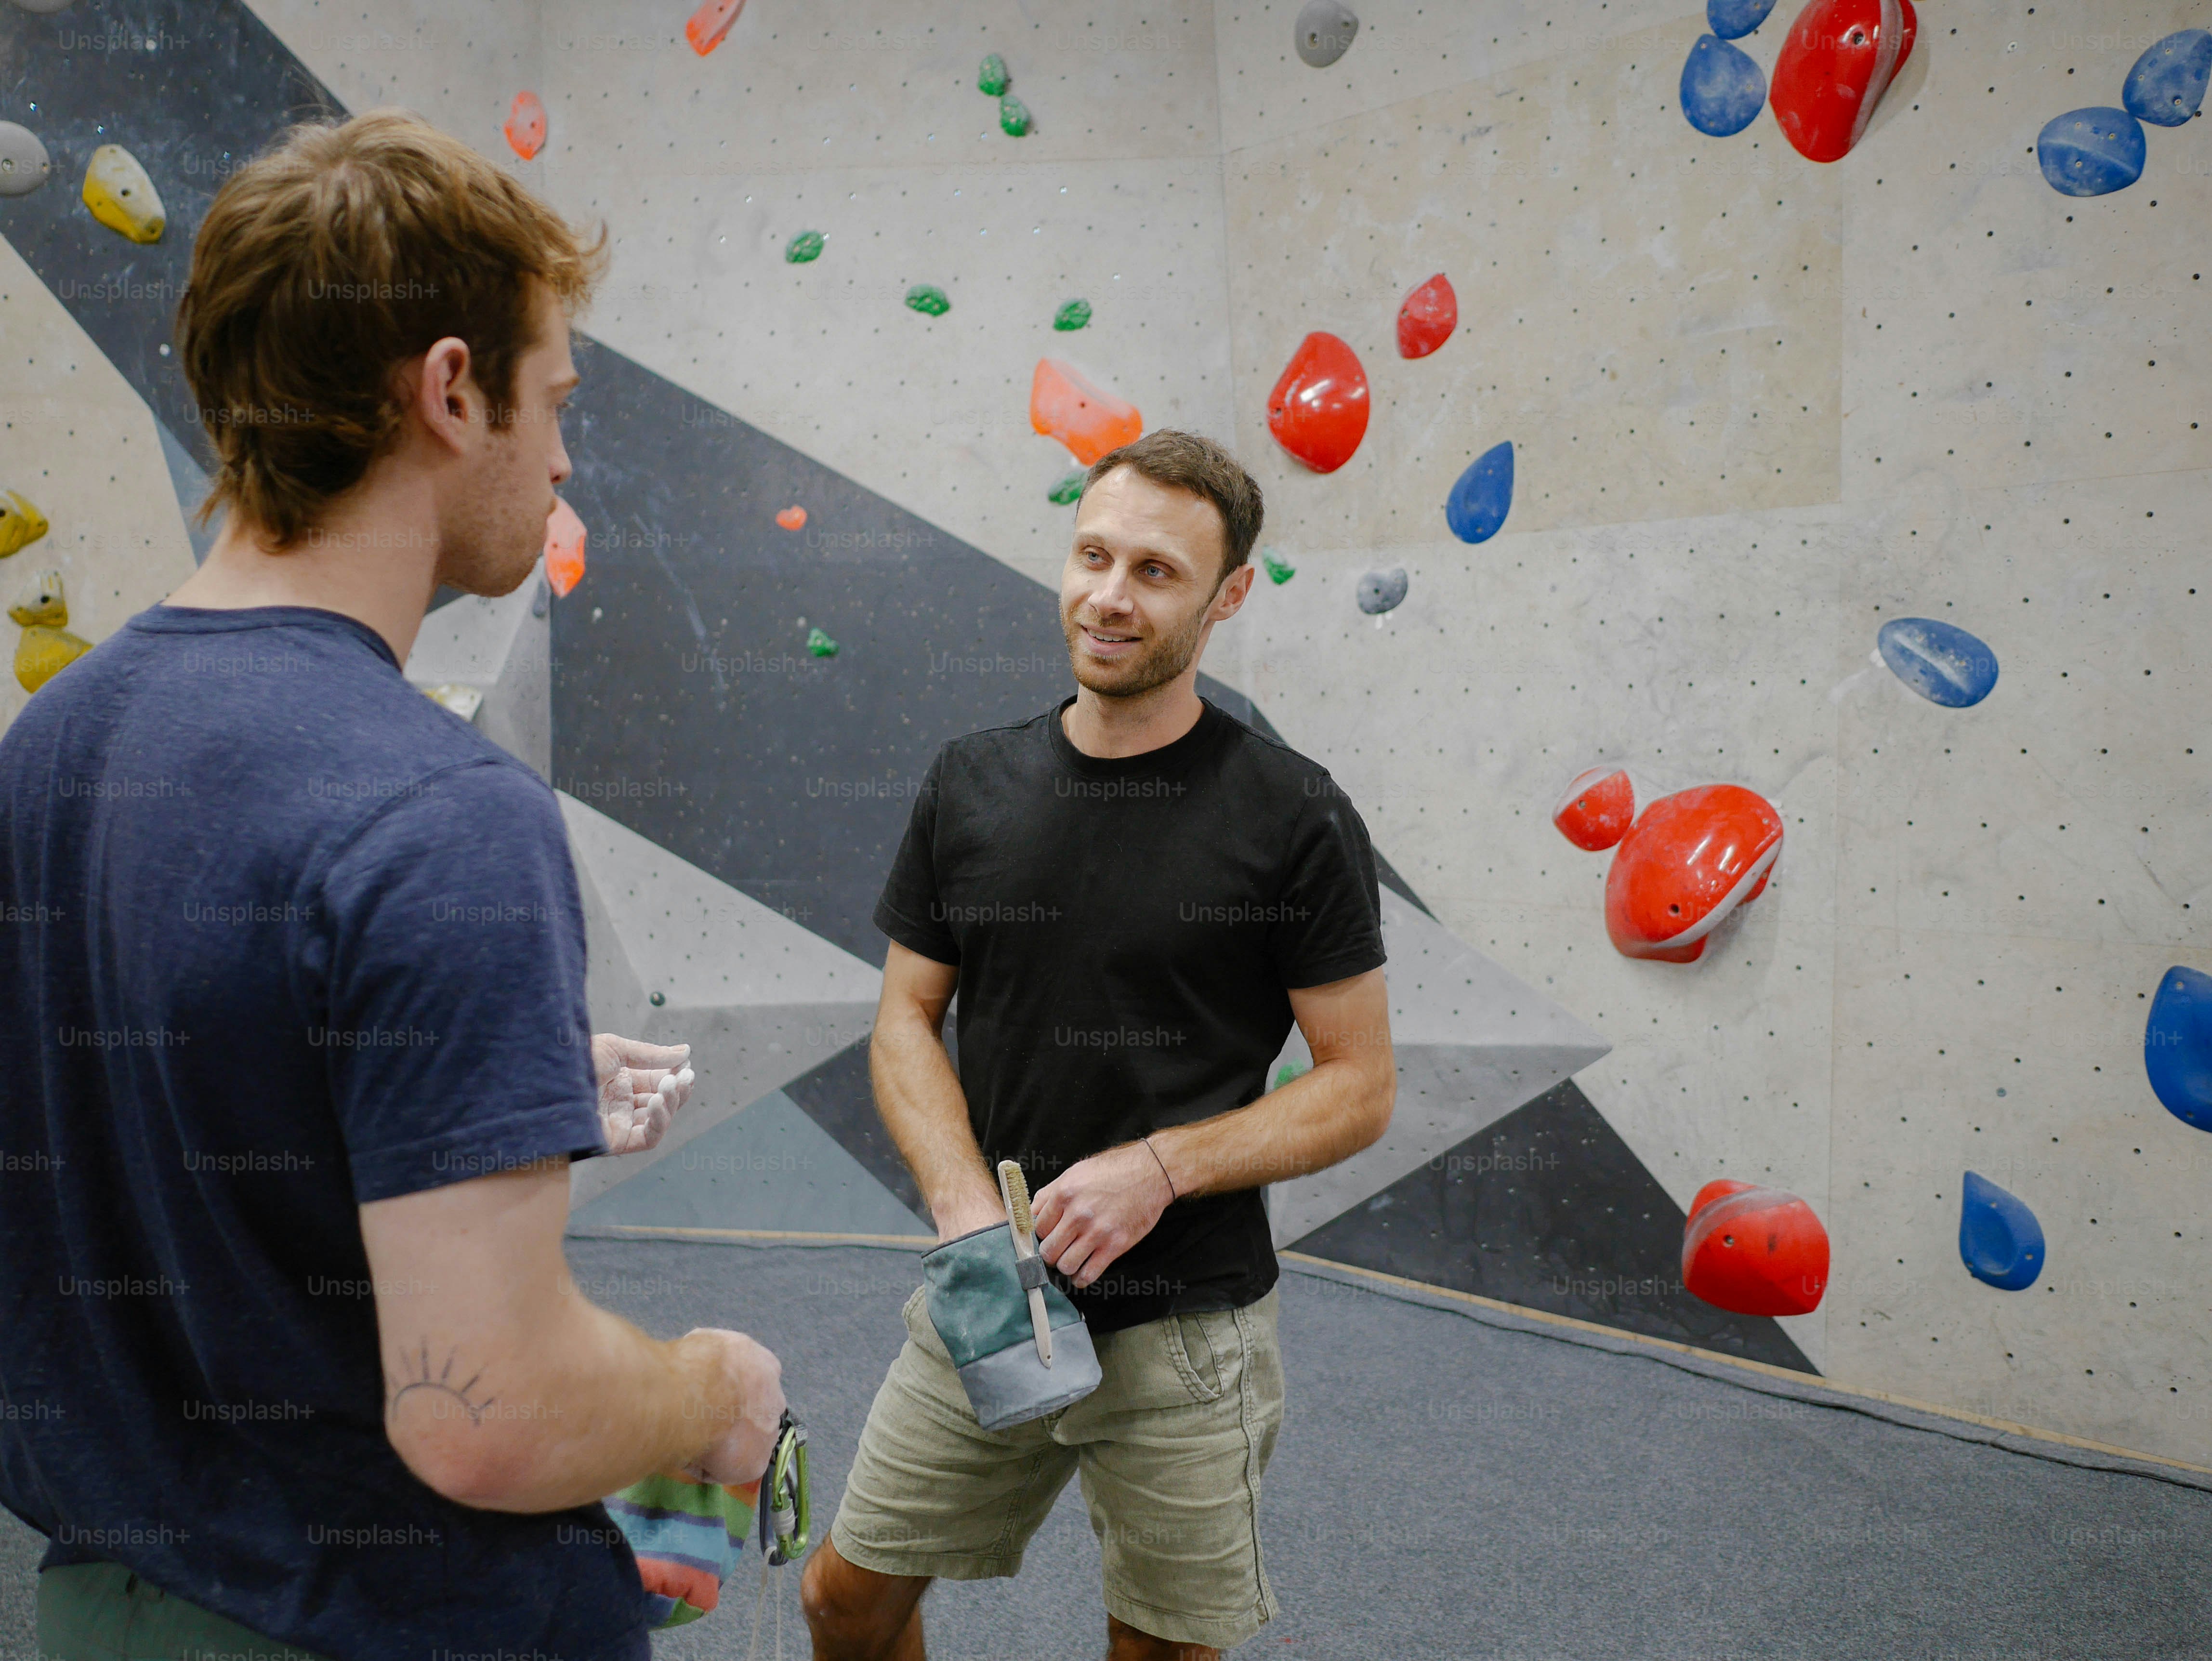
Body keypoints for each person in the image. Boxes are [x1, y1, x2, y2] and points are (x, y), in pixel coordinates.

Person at [0, 110, 785, 1661]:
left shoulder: (51, 749)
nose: (562, 456)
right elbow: (484, 1416)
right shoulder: (440, 814)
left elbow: (160, 1106)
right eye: (551, 400)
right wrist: (711, 1395)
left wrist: (500, 1077)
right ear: (448, 389)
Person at [801, 431, 1400, 1659]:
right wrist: (965, 1202)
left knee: (1160, 1651)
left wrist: (1162, 1166)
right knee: (844, 1603)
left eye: (1156, 572)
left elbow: (1359, 1087)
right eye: (1092, 555)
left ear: (1228, 596)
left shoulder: (1293, 813)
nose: (1109, 597)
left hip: (1186, 1327)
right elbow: (905, 1018)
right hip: (987, 1298)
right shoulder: (969, 781)